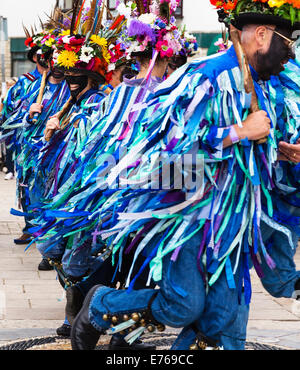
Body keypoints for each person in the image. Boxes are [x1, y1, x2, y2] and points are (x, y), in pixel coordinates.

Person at [69, 0, 300, 350]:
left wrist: (280, 152)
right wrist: (238, 132)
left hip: (233, 229)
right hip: (189, 221)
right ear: (263, 35)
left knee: (223, 319)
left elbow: (257, 150)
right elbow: (170, 155)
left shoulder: (267, 85)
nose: (291, 52)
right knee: (181, 306)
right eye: (288, 42)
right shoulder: (205, 77)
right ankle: (100, 305)